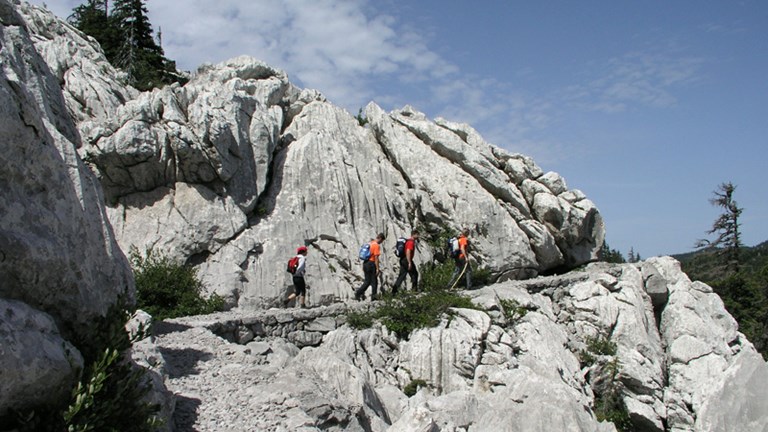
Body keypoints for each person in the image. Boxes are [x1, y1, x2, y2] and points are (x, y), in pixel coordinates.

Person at [355, 233, 385, 301]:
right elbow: (376, 258)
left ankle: (358, 293)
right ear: (380, 238)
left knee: (367, 281)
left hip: (365, 263)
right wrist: (377, 269)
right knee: (374, 281)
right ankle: (374, 298)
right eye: (382, 241)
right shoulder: (376, 245)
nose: (381, 242)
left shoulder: (370, 243)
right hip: (371, 264)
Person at [392, 230, 420, 295]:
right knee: (414, 274)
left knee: (401, 276)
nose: (418, 236)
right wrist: (409, 262)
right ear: (414, 234)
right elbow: (408, 251)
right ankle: (414, 290)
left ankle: (394, 292)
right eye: (418, 235)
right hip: (406, 260)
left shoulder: (408, 241)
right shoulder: (410, 242)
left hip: (403, 259)